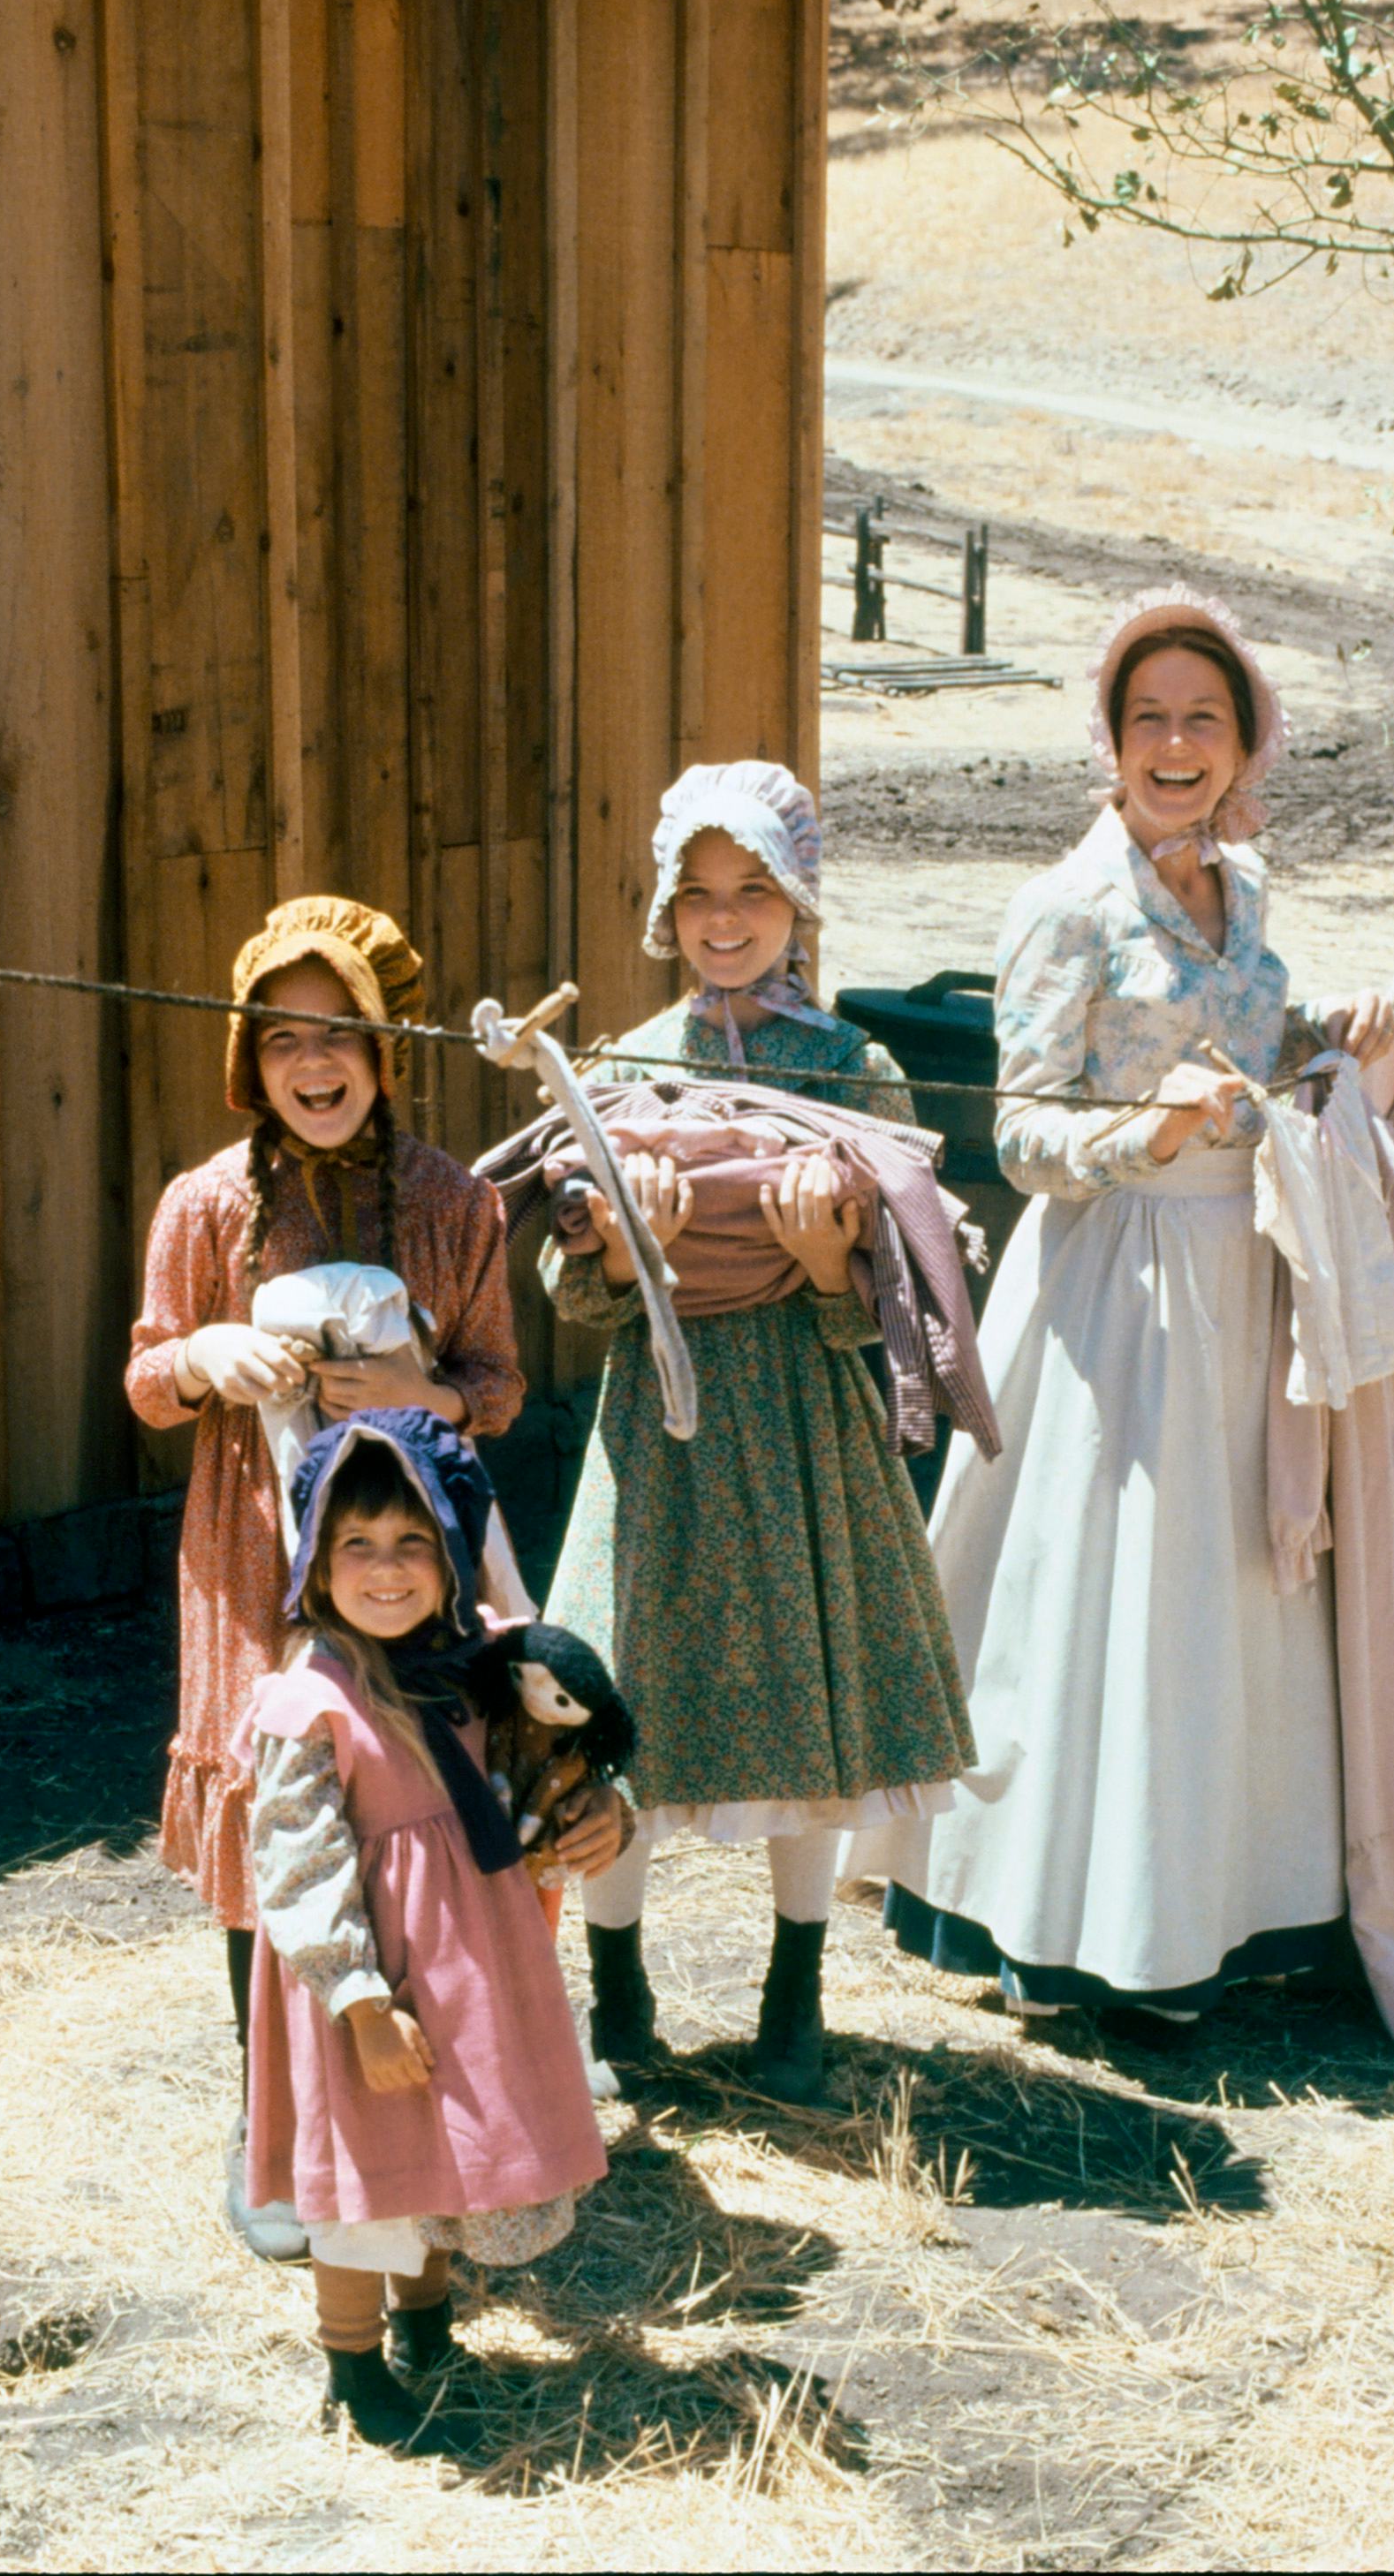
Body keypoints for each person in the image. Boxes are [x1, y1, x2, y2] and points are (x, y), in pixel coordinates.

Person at [872, 591, 1394, 2030]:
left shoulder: (1254, 888)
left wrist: (1317, 1048)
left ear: (1244, 746)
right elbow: (1016, 1130)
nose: (1174, 742)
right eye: (1147, 716)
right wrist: (1140, 1139)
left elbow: (1249, 1033)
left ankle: (1222, 1902)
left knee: (1231, 1596)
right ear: (1107, 741)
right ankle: (1060, 1914)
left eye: (1202, 718)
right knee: (1105, 1604)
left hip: (1246, 1268)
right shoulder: (1065, 905)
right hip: (1115, 1282)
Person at [541, 760, 974, 2104]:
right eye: (700, 894)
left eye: (756, 893)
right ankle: (619, 1994)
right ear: (665, 910)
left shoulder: (855, 1068)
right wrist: (626, 1249)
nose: (727, 920)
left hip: (803, 1430)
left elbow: (906, 1288)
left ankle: (796, 1995)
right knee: (626, 1710)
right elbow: (569, 1295)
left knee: (809, 1703)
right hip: (661, 1438)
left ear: (801, 903)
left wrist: (831, 1262)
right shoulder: (624, 1067)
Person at [125, 898, 524, 2256]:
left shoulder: (455, 1203)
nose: (315, 1062)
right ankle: (274, 2127)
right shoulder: (205, 1206)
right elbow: (145, 1375)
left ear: (383, 1046)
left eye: (339, 1032)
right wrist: (203, 1362)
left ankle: (453, 2105)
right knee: (276, 1820)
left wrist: (428, 1389)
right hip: (253, 1556)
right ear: (249, 1059)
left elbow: (501, 1385)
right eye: (283, 1035)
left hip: (413, 1559)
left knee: (413, 1821)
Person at [240, 1410, 621, 2454]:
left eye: (414, 1543)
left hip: (468, 1963)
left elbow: (558, 1763)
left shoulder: (482, 1669)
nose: (387, 1569)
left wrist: (599, 1804)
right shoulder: (310, 1699)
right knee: (370, 2167)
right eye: (356, 1545)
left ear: (455, 1553)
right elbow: (296, 1860)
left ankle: (428, 2329)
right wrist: (358, 2000)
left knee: (445, 2146)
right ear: (316, 1563)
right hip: (365, 1975)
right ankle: (353, 2363)